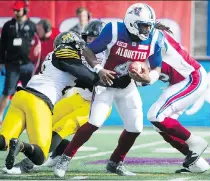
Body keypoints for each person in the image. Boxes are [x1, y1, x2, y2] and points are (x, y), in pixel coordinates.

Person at [54, 3, 164, 178]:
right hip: (106, 84)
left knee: (135, 127)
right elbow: (89, 50)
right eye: (143, 25)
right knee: (94, 123)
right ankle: (65, 158)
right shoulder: (113, 30)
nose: (147, 29)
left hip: (127, 85)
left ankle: (115, 162)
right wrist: (99, 70)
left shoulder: (155, 37)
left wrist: (149, 78)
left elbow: (157, 66)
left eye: (149, 25)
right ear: (131, 23)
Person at [2, 20, 112, 175]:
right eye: (89, 38)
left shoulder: (111, 55)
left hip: (96, 102)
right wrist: (95, 77)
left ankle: (26, 164)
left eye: (95, 39)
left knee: (63, 127)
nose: (90, 42)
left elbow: (89, 76)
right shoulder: (76, 54)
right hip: (75, 97)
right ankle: (56, 153)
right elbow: (82, 75)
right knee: (50, 124)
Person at [143, 23, 209, 173]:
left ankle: (195, 142)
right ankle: (197, 164)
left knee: (156, 115)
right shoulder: (144, 43)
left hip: (192, 78)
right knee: (158, 124)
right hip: (179, 83)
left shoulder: (155, 38)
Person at [0, 0, 36, 122]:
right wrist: (1, 62)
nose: (16, 12)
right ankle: (0, 117)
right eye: (14, 10)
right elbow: (2, 45)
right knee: (7, 92)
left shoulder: (32, 26)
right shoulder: (8, 25)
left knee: (31, 93)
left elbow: (38, 43)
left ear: (25, 10)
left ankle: (31, 117)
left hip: (27, 64)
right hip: (12, 65)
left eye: (18, 10)